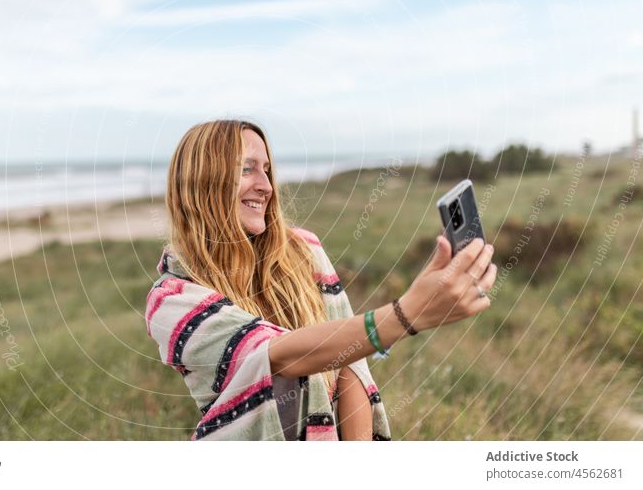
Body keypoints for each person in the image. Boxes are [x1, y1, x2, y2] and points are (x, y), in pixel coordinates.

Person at [145, 119, 496, 441]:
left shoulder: (303, 251)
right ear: (201, 181)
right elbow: (277, 359)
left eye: (267, 170)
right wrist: (404, 315)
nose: (266, 186)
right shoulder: (172, 299)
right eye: (247, 169)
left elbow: (348, 359)